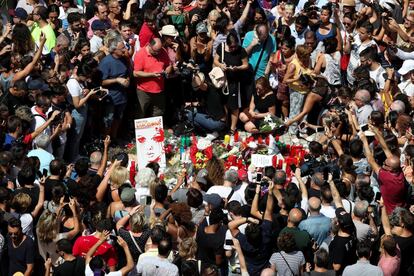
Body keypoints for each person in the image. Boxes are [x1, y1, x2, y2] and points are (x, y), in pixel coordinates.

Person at [214, 31, 249, 132]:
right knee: (223, 104)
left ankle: (232, 128)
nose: (233, 49)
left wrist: (238, 68)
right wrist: (221, 65)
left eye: (235, 46)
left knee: (234, 105)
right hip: (223, 81)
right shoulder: (221, 47)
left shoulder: (241, 50)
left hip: (235, 82)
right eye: (231, 47)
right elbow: (215, 60)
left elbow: (246, 64)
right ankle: (225, 125)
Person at [98, 34, 131, 139]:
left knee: (118, 118)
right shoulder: (106, 62)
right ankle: (106, 141)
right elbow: (101, 81)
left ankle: (114, 138)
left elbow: (128, 73)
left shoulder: (124, 59)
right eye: (122, 48)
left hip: (122, 97)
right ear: (114, 50)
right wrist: (116, 80)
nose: (125, 50)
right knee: (108, 120)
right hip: (111, 98)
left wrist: (127, 80)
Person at [133, 38, 174, 118]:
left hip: (159, 90)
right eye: (155, 51)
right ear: (149, 45)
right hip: (144, 91)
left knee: (158, 113)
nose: (158, 53)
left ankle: (155, 130)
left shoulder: (162, 51)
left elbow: (168, 64)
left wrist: (169, 68)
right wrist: (152, 75)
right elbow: (136, 73)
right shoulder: (140, 54)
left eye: (159, 50)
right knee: (140, 113)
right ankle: (139, 130)